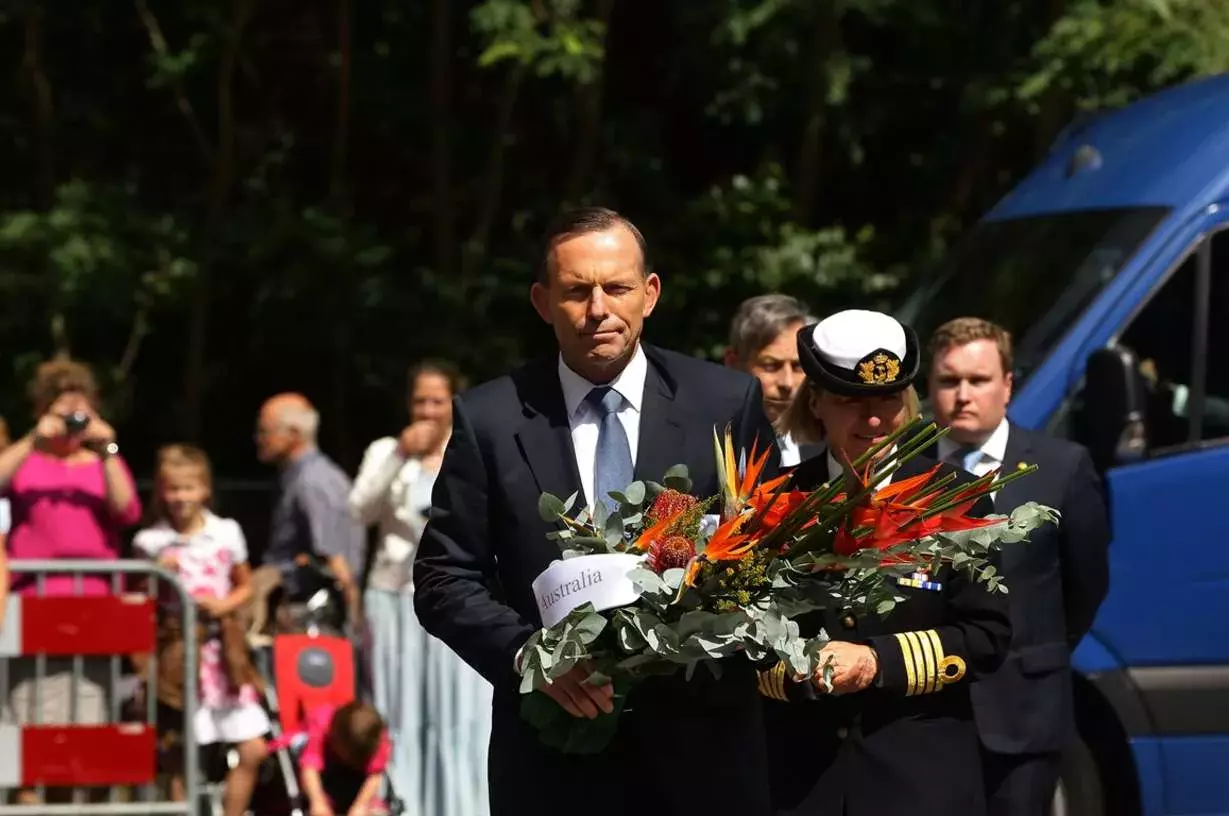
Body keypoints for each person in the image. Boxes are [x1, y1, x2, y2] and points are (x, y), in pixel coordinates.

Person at [413, 206, 780, 816]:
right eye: (576, 291)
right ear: (541, 301)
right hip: (555, 756)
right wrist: (533, 657)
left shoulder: (723, 401)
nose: (598, 309)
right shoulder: (492, 419)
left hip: (702, 754)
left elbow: (770, 547)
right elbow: (444, 577)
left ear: (651, 293)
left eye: (617, 287)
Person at [762, 309, 1012, 816]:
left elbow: (988, 636)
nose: (873, 419)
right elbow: (736, 635)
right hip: (799, 781)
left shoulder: (956, 498)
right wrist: (793, 668)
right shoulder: (773, 500)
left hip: (919, 783)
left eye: (887, 399)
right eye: (851, 402)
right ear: (816, 402)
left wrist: (877, 661)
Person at [927, 317, 1111, 816]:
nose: (962, 395)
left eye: (978, 380)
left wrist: (1037, 653)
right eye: (948, 381)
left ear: (1007, 385)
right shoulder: (907, 471)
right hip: (925, 716)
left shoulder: (1062, 467)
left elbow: (1086, 583)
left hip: (1025, 712)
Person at [349, 359, 491, 816]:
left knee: (459, 709)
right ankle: (400, 801)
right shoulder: (385, 450)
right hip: (394, 600)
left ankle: (464, 803)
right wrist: (399, 457)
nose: (427, 411)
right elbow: (358, 511)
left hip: (455, 596)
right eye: (419, 401)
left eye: (437, 401)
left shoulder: (471, 448)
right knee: (400, 708)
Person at [0, 359, 142, 805]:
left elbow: (128, 512)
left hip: (93, 610)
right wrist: (32, 440)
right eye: (63, 409)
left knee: (85, 728)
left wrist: (109, 450)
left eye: (81, 409)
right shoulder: (27, 460)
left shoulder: (101, 462)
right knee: (29, 728)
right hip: (31, 607)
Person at [132, 444, 270, 816]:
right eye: (173, 489)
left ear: (205, 489)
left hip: (223, 656)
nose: (180, 498)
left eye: (188, 488)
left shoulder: (225, 532)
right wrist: (160, 576)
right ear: (161, 491)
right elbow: (139, 598)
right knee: (182, 755)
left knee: (252, 748)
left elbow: (244, 584)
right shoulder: (150, 542)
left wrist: (225, 605)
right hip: (178, 655)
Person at [252, 393, 365, 633]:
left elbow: (334, 560)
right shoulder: (297, 478)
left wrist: (352, 621)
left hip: (314, 618)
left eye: (265, 431)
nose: (259, 439)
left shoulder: (313, 482)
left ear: (294, 434)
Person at [724, 294, 819, 466]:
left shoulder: (832, 441)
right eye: (771, 366)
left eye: (798, 366)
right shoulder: (711, 446)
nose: (787, 383)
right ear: (733, 362)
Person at [297, 701, 392, 816]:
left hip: (357, 787)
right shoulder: (322, 725)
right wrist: (317, 801)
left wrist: (360, 805)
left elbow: (375, 774)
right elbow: (309, 767)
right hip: (324, 781)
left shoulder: (376, 740)